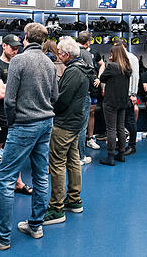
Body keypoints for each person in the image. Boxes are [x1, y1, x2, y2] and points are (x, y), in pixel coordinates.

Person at [0, 23, 58, 250]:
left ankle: (1, 236)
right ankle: (35, 226)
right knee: (41, 175)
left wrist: (13, 121)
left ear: (26, 38)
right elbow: (54, 95)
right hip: (46, 123)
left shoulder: (18, 61)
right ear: (42, 40)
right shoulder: (49, 63)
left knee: (5, 178)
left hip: (23, 124)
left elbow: (10, 99)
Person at [0, 35, 33, 212]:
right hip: (0, 116)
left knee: (16, 150)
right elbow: (0, 93)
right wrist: (20, 92)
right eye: (12, 47)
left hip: (18, 116)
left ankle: (18, 183)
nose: (15, 50)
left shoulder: (20, 64)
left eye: (18, 47)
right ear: (4, 46)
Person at [43, 37, 90, 225]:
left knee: (57, 163)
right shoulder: (83, 68)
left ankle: (56, 208)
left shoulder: (73, 72)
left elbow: (63, 99)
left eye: (60, 53)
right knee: (72, 161)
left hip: (64, 123)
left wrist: (51, 106)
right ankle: (73, 199)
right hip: (75, 121)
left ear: (67, 54)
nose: (59, 56)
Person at [99, 44, 132, 165]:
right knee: (121, 127)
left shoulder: (112, 66)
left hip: (111, 101)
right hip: (123, 102)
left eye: (111, 53)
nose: (110, 55)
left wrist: (103, 66)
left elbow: (102, 78)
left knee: (111, 129)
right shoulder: (127, 67)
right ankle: (121, 154)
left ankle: (111, 156)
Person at [76, 31, 99, 164]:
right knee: (81, 126)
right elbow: (90, 73)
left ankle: (72, 156)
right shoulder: (86, 53)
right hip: (83, 93)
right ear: (88, 42)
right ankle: (80, 157)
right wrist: (93, 86)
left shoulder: (71, 50)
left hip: (70, 94)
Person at [118, 39, 139, 156]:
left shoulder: (132, 58)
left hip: (129, 94)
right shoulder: (119, 58)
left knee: (130, 120)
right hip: (120, 93)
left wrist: (133, 94)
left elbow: (135, 76)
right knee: (121, 120)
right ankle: (121, 143)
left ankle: (132, 146)